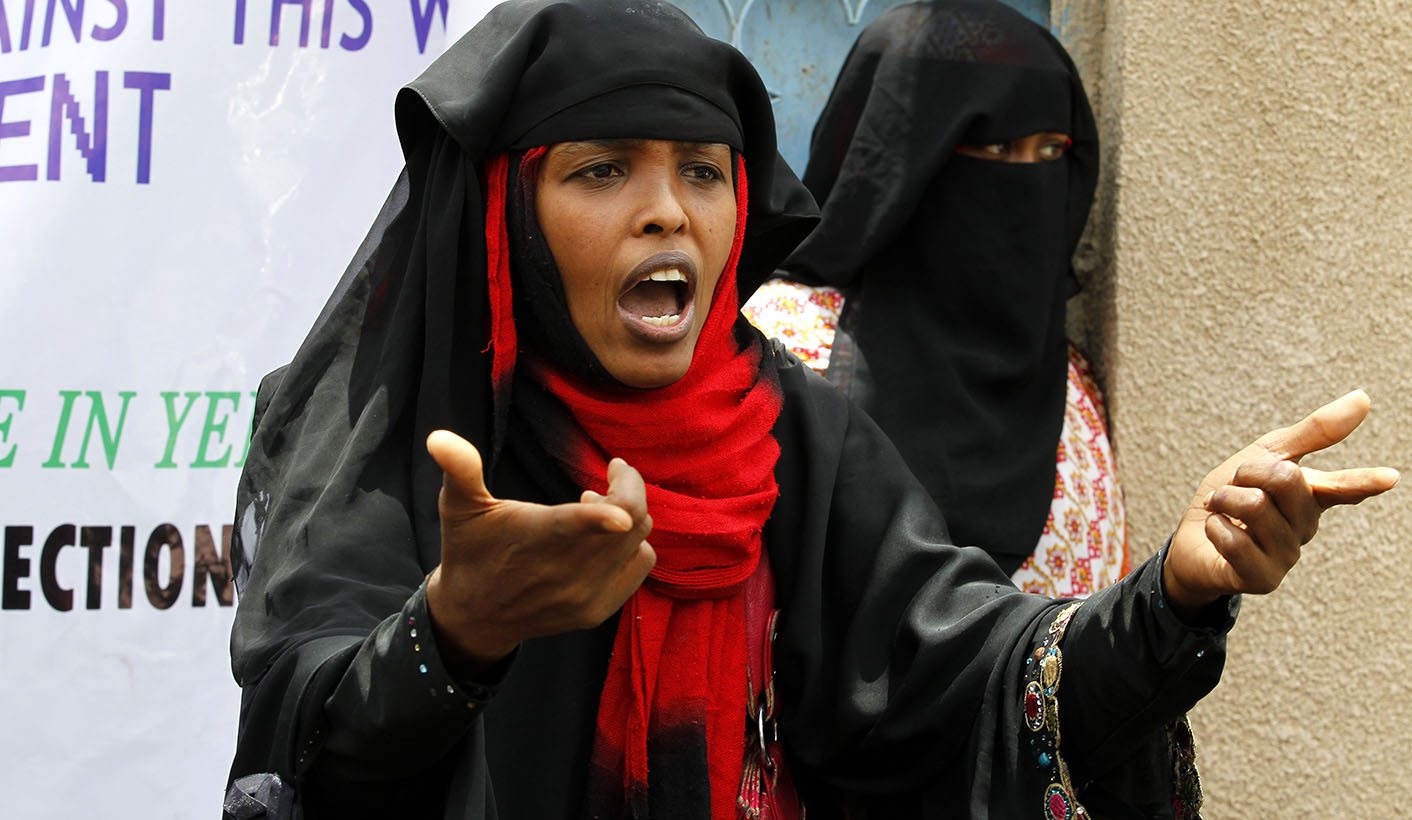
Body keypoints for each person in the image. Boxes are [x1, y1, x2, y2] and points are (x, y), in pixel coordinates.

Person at [222, 1, 1397, 819]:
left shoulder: (792, 434)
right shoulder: (415, 449)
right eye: (600, 170)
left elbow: (970, 679)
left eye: (701, 169)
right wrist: (452, 637)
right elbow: (301, 757)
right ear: (504, 217)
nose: (666, 212)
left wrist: (1171, 596)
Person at [744, 0, 1123, 597]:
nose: (1028, 185)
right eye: (996, 151)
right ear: (905, 164)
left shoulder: (1072, 393)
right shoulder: (781, 349)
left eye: (1051, 153)